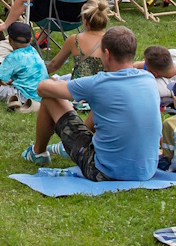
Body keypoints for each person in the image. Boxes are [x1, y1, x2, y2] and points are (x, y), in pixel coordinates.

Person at [33, 25, 162, 182]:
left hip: (104, 172)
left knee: (50, 96)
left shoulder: (99, 83)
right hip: (146, 171)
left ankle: (38, 152)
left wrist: (51, 80)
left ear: (106, 54)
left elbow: (42, 89)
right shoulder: (149, 79)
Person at [0, 18, 45, 110]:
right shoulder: (34, 51)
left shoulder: (12, 57)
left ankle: (19, 100)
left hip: (25, 95)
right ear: (30, 39)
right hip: (42, 94)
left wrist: (5, 85)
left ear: (9, 39)